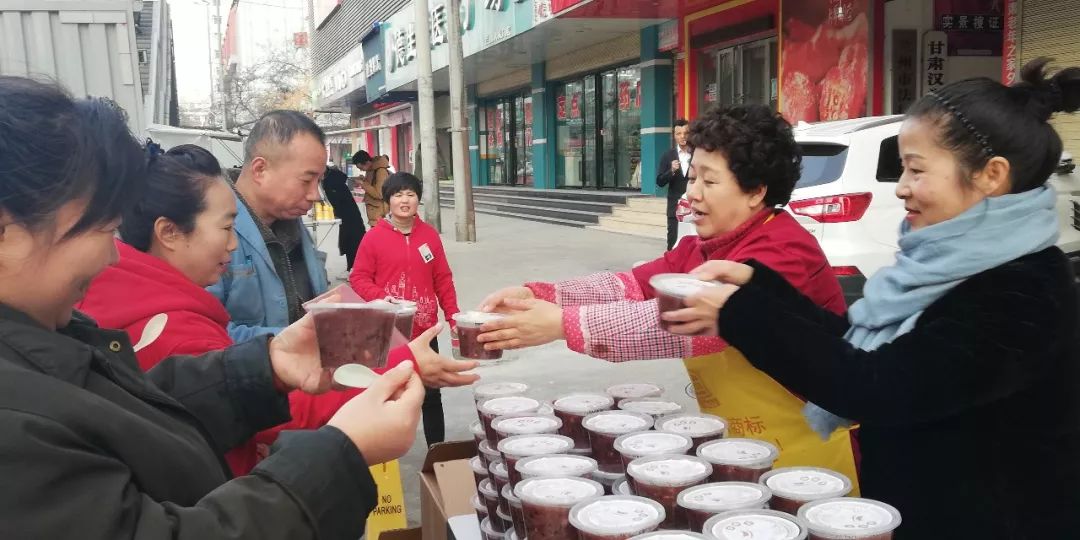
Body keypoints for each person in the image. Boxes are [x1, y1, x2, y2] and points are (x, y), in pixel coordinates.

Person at [666, 59, 1080, 537]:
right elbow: (864, 349)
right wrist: (757, 288)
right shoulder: (944, 265)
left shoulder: (1023, 290)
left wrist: (741, 314)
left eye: (916, 170)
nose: (902, 188)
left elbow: (878, 387)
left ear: (991, 175)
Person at [0, 76, 424, 539]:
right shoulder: (19, 420)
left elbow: (137, 403)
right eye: (101, 230)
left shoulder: (55, 340)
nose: (112, 255)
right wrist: (340, 453)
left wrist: (265, 367)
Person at [477, 105, 858, 484]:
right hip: (741, 447)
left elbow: (695, 323)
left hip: (811, 455)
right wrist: (540, 293)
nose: (692, 193)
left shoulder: (783, 249)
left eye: (709, 182)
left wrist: (563, 324)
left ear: (756, 191)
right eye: (692, 178)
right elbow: (631, 285)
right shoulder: (702, 247)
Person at [76, 145, 478, 474]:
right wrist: (350, 442)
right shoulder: (164, 328)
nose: (234, 246)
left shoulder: (150, 300)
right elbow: (274, 414)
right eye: (226, 227)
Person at [350, 172, 461, 446]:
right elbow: (359, 277)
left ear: (417, 200)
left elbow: (443, 278)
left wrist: (453, 314)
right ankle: (385, 450)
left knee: (431, 392)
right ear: (388, 200)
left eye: (410, 194)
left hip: (424, 329)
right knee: (389, 390)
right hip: (389, 330)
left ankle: (437, 452)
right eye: (398, 194)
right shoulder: (374, 237)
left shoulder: (429, 236)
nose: (404, 200)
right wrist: (381, 296)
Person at [208, 110, 330, 341]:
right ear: (260, 170)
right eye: (306, 180)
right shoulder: (209, 231)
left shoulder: (293, 224)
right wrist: (291, 341)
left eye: (319, 181)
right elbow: (203, 334)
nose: (315, 195)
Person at [322, 164, 365, 272]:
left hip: (348, 217)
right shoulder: (336, 179)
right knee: (351, 241)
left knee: (351, 242)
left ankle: (354, 269)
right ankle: (351, 268)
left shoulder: (331, 183)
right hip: (350, 217)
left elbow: (336, 201)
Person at [657, 118, 692, 250]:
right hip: (674, 208)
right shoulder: (667, 156)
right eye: (679, 133)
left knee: (693, 244)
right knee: (673, 243)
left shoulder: (698, 154)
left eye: (686, 133)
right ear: (674, 135)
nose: (683, 136)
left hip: (694, 207)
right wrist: (671, 171)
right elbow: (659, 181)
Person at [352, 150, 393, 227]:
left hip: (380, 214)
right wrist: (364, 180)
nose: (361, 170)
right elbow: (372, 185)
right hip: (374, 213)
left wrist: (362, 183)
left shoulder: (380, 171)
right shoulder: (371, 170)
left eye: (361, 167)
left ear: (367, 162)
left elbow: (379, 194)